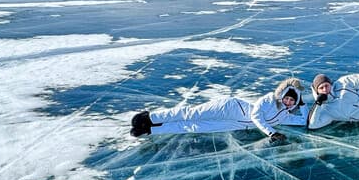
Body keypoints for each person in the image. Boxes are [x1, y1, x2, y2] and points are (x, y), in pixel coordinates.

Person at [129, 78, 308, 144]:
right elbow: (255, 116)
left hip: (234, 123)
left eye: (293, 100)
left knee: (195, 127)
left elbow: (303, 121)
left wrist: (305, 105)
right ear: (282, 94)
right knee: (192, 114)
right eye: (287, 97)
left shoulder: (285, 113)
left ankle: (150, 129)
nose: (288, 101)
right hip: (230, 107)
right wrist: (272, 133)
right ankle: (150, 117)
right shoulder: (269, 99)